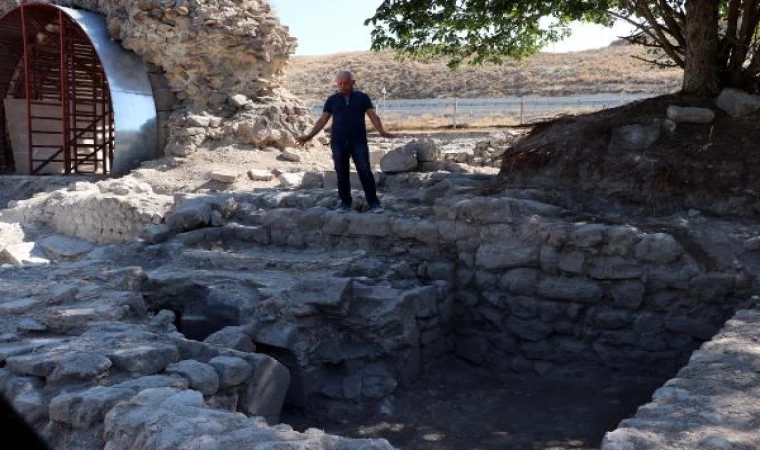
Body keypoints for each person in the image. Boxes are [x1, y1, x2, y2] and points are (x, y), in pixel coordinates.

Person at [297, 71, 395, 213]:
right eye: (340, 84)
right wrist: (309, 136)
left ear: (353, 82)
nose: (343, 86)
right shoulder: (332, 100)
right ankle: (345, 203)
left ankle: (374, 203)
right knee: (341, 173)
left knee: (365, 171)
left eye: (346, 83)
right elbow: (322, 120)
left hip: (358, 141)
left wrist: (381, 131)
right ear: (337, 84)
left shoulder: (362, 97)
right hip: (338, 141)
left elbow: (373, 116)